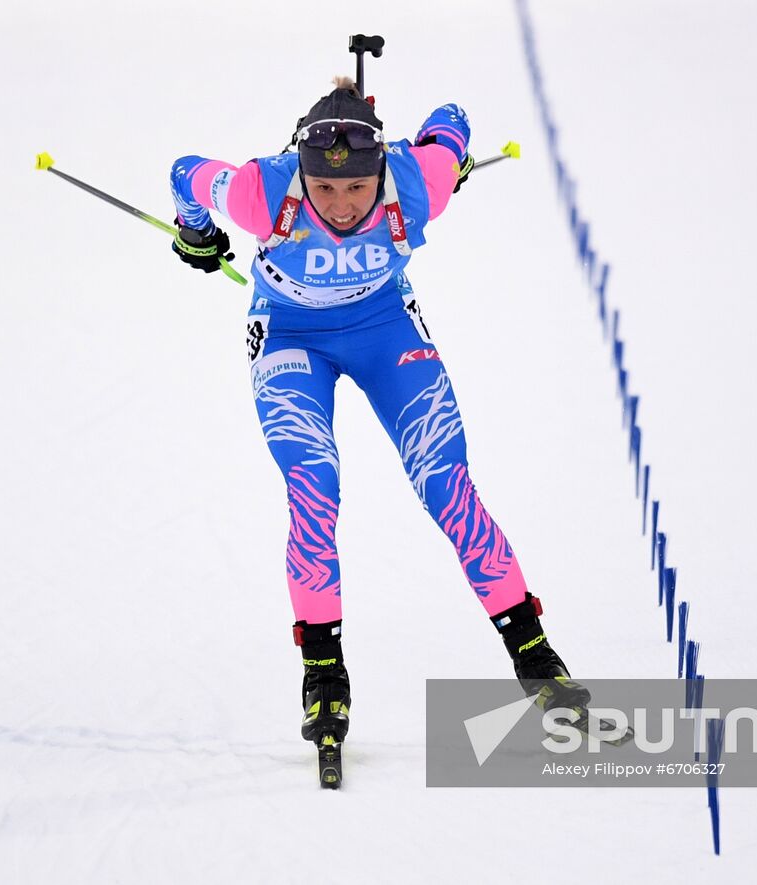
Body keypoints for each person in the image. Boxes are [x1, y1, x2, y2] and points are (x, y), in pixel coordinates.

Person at [169, 79, 593, 747]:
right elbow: (186, 174)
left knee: (447, 484)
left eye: (356, 190)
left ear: (382, 175)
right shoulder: (261, 190)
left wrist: (435, 149)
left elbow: (453, 116)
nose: (339, 205)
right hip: (289, 339)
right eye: (324, 188)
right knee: (314, 487)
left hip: (384, 331)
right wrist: (197, 234)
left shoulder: (419, 180)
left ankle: (534, 654)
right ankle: (323, 674)